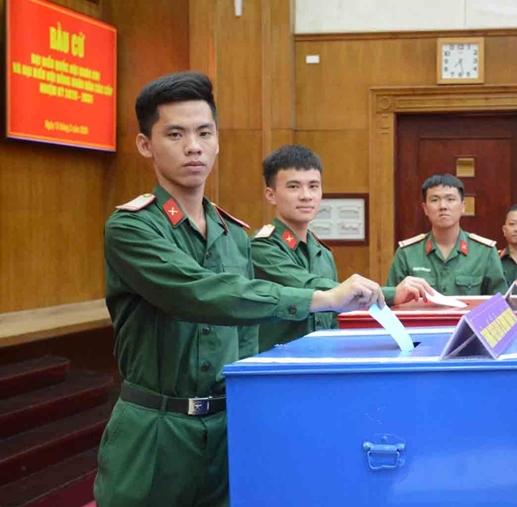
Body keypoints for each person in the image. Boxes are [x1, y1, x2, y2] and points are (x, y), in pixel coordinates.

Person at [94, 72, 387, 507]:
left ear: (217, 141)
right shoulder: (131, 227)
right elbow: (199, 291)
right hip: (157, 430)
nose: (193, 146)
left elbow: (247, 337)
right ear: (145, 145)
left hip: (227, 425)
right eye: (175, 134)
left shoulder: (232, 233)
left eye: (204, 133)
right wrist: (319, 299)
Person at [252, 145, 433, 351]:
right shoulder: (263, 246)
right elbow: (310, 287)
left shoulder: (322, 252)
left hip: (322, 361)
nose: (306, 195)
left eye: (313, 186)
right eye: (293, 187)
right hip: (279, 364)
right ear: (271, 195)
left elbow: (332, 318)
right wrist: (391, 294)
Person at [387, 174, 508, 296]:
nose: (443, 206)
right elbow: (390, 301)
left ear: (463, 206)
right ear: (425, 208)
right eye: (434, 200)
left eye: (450, 199)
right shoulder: (407, 253)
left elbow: (500, 303)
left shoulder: (485, 252)